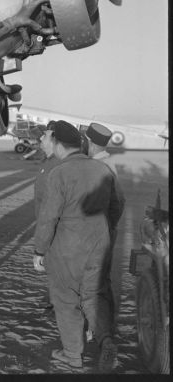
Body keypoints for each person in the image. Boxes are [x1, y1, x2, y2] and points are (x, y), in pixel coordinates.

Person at [32, 121, 123, 372]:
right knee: (95, 295)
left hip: (67, 247)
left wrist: (39, 251)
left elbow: (48, 217)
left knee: (66, 299)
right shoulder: (101, 168)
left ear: (59, 144)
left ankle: (72, 354)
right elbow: (117, 206)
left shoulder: (58, 173)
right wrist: (103, 228)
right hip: (98, 242)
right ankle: (105, 341)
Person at [85, 122, 125, 334]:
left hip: (98, 234)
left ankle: (99, 330)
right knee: (103, 280)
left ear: (90, 142)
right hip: (106, 231)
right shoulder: (108, 162)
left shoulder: (98, 167)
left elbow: (118, 202)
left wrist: (105, 227)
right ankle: (106, 326)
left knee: (96, 282)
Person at [33, 121, 58, 310]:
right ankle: (53, 296)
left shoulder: (56, 166)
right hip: (45, 226)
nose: (41, 138)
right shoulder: (47, 162)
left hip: (54, 228)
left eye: (45, 135)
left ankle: (58, 299)